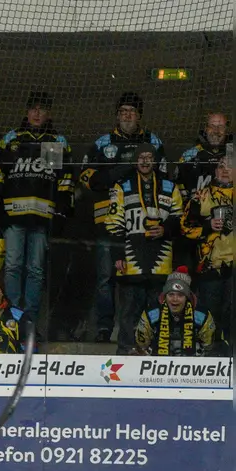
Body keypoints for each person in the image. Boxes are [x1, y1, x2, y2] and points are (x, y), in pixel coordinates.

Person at [81, 92, 166, 343]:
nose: (127, 115)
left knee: (143, 277)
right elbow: (86, 178)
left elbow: (165, 178)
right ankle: (104, 328)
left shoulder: (153, 141)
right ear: (117, 115)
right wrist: (120, 172)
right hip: (110, 221)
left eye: (132, 111)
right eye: (123, 111)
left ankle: (142, 331)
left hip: (144, 222)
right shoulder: (102, 143)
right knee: (106, 276)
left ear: (140, 115)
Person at [0, 91, 72, 321]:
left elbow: (65, 179)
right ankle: (12, 316)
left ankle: (30, 320)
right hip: (13, 216)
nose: (37, 113)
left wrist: (61, 212)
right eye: (33, 108)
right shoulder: (11, 138)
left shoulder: (57, 141)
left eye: (41, 109)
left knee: (35, 269)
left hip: (42, 218)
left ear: (49, 114)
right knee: (12, 266)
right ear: (26, 112)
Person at [102, 148, 183, 351]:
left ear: (155, 161)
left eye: (149, 158)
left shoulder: (170, 186)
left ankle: (156, 352)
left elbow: (180, 219)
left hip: (161, 262)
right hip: (131, 261)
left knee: (158, 312)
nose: (145, 161)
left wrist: (165, 229)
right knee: (129, 312)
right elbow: (113, 222)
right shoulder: (122, 186)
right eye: (141, 157)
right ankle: (126, 352)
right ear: (134, 161)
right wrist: (118, 255)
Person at [179, 156, 235, 335]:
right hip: (210, 267)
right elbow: (184, 227)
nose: (225, 170)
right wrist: (207, 226)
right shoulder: (201, 195)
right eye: (221, 166)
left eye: (230, 167)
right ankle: (210, 349)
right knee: (209, 314)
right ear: (215, 171)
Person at [133, 269, 220, 357]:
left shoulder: (202, 315)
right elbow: (141, 345)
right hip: (158, 361)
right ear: (165, 296)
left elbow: (209, 347)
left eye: (180, 295)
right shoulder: (151, 314)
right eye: (171, 294)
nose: (175, 299)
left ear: (187, 297)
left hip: (193, 361)